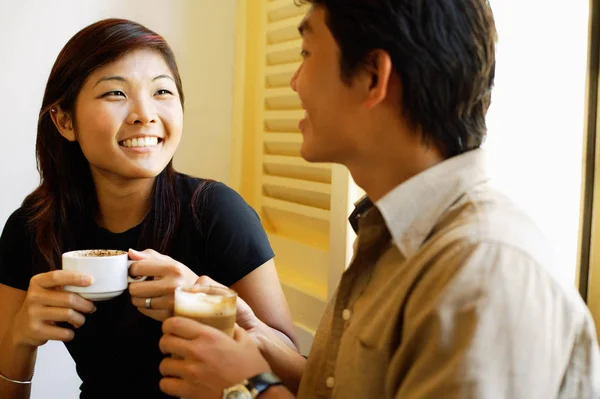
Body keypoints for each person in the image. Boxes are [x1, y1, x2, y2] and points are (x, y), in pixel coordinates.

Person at [156, 1, 600, 398]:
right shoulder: (392, 233)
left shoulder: (485, 270)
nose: (294, 82)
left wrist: (246, 388)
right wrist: (258, 344)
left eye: (307, 55)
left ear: (373, 77)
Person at [0, 18, 298, 399]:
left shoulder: (216, 212)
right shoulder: (33, 227)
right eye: (115, 94)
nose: (145, 113)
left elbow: (300, 374)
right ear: (64, 120)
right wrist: (20, 338)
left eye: (161, 91)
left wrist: (209, 305)